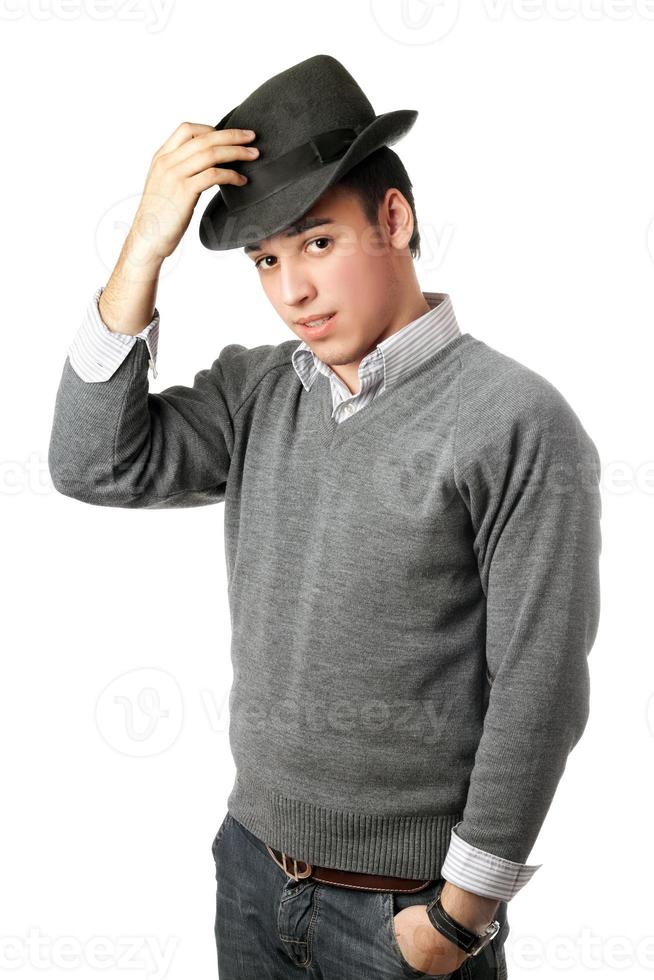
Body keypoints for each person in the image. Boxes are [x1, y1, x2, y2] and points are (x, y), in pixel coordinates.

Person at [48, 55, 602, 980]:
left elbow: (540, 686)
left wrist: (457, 919)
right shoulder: (257, 391)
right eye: (265, 260)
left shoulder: (515, 418)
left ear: (395, 218)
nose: (291, 291)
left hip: (405, 910)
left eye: (315, 243)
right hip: (252, 871)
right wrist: (142, 247)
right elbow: (91, 462)